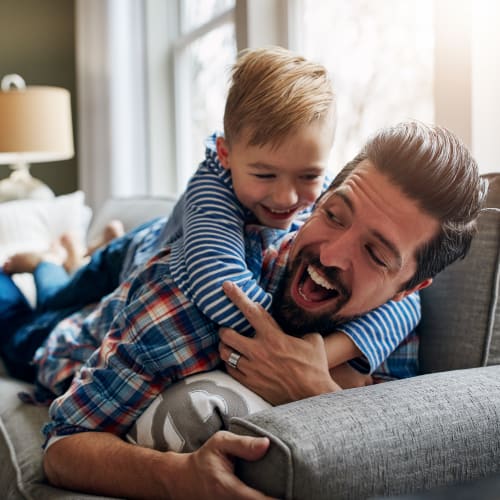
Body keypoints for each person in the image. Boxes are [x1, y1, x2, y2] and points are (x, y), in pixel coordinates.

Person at [41, 121, 488, 498]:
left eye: (375, 254)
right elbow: (62, 447)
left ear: (408, 288)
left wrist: (318, 392)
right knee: (31, 301)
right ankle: (48, 265)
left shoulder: (396, 333)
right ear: (315, 203)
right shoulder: (190, 296)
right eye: (333, 215)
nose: (331, 255)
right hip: (74, 330)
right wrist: (176, 477)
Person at [29, 47, 418, 405]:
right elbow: (219, 285)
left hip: (151, 241)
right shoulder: (211, 187)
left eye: (308, 176)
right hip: (135, 254)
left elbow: (407, 303)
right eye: (264, 175)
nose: (286, 198)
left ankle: (78, 251)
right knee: (53, 302)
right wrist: (293, 353)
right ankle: (54, 260)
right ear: (226, 155)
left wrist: (326, 356)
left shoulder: (332, 198)